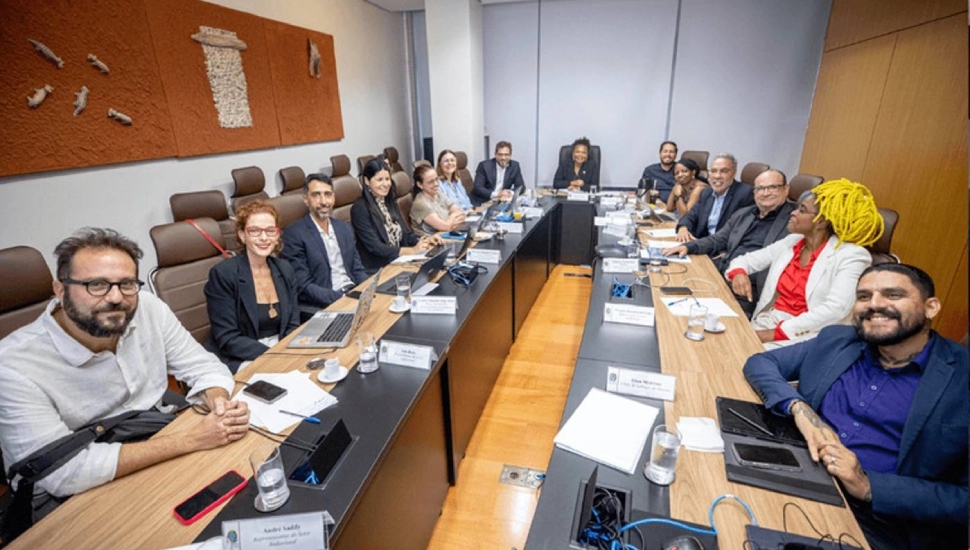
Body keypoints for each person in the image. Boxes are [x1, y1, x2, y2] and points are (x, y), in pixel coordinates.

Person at [0, 228, 249, 513]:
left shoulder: (149, 308)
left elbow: (203, 366)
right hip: (72, 491)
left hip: (153, 434)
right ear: (60, 290)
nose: (116, 297)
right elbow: (63, 473)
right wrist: (192, 439)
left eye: (127, 284)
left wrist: (218, 401)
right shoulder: (12, 365)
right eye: (96, 285)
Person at [743, 264, 968, 549]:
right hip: (796, 471)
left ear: (930, 307)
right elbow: (761, 363)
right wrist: (800, 410)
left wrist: (868, 486)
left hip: (879, 522)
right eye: (864, 296)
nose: (875, 304)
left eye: (893, 294)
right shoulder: (838, 340)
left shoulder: (961, 376)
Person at [727, 179, 882, 347]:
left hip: (809, 335)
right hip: (768, 322)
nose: (793, 213)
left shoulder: (852, 256)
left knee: (739, 357)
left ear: (821, 221)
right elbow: (746, 260)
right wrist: (739, 272)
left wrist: (777, 333)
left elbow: (837, 309)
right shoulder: (793, 241)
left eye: (802, 210)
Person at [663, 169, 795, 317]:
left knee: (695, 317)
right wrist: (687, 247)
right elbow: (718, 239)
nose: (765, 193)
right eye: (760, 188)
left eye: (773, 187)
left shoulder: (795, 220)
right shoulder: (744, 213)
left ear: (786, 189)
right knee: (670, 283)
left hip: (748, 289)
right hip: (721, 274)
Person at [205, 201, 301, 373]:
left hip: (280, 348)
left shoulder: (285, 269)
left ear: (277, 235)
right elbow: (228, 338)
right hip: (241, 355)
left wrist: (288, 351)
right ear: (242, 235)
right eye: (255, 231)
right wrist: (274, 357)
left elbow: (293, 323)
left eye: (270, 231)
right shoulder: (223, 274)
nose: (264, 238)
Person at [282, 173, 368, 310]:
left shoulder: (344, 228)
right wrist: (342, 299)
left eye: (328, 195)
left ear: (334, 197)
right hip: (325, 303)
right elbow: (304, 285)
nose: (323, 201)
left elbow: (357, 269)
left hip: (353, 294)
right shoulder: (294, 234)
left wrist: (369, 289)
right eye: (316, 195)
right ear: (306, 199)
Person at [351, 157, 441, 272]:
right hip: (379, 268)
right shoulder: (360, 209)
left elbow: (406, 235)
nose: (385, 184)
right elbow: (375, 247)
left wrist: (425, 240)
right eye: (379, 180)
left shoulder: (389, 202)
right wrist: (411, 251)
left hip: (400, 260)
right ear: (367, 181)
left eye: (387, 179)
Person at [675, 153, 754, 242]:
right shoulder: (707, 192)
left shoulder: (745, 193)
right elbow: (691, 215)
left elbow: (743, 231)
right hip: (702, 243)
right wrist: (683, 227)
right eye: (713, 171)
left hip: (722, 246)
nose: (717, 176)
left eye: (724, 171)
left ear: (734, 173)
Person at [410, 164, 466, 236]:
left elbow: (460, 212)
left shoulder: (438, 194)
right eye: (431, 182)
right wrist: (453, 217)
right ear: (420, 184)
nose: (436, 184)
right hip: (432, 240)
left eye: (436, 179)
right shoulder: (420, 204)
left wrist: (450, 221)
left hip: (447, 235)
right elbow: (445, 227)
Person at [471, 141, 525, 206]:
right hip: (484, 201)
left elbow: (521, 187)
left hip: (502, 201)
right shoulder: (484, 166)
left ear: (510, 155)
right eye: (500, 154)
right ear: (495, 155)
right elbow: (478, 188)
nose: (503, 158)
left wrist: (509, 193)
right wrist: (497, 194)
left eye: (506, 155)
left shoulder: (514, 166)